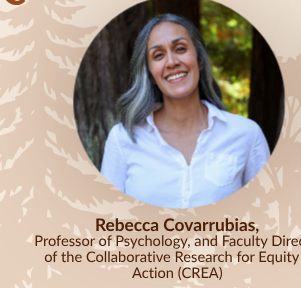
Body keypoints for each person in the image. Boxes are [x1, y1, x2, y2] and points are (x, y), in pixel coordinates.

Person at [100, 13, 270, 209]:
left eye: (180, 49)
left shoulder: (246, 134)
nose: (171, 62)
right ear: (151, 75)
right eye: (158, 55)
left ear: (199, 60)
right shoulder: (123, 139)